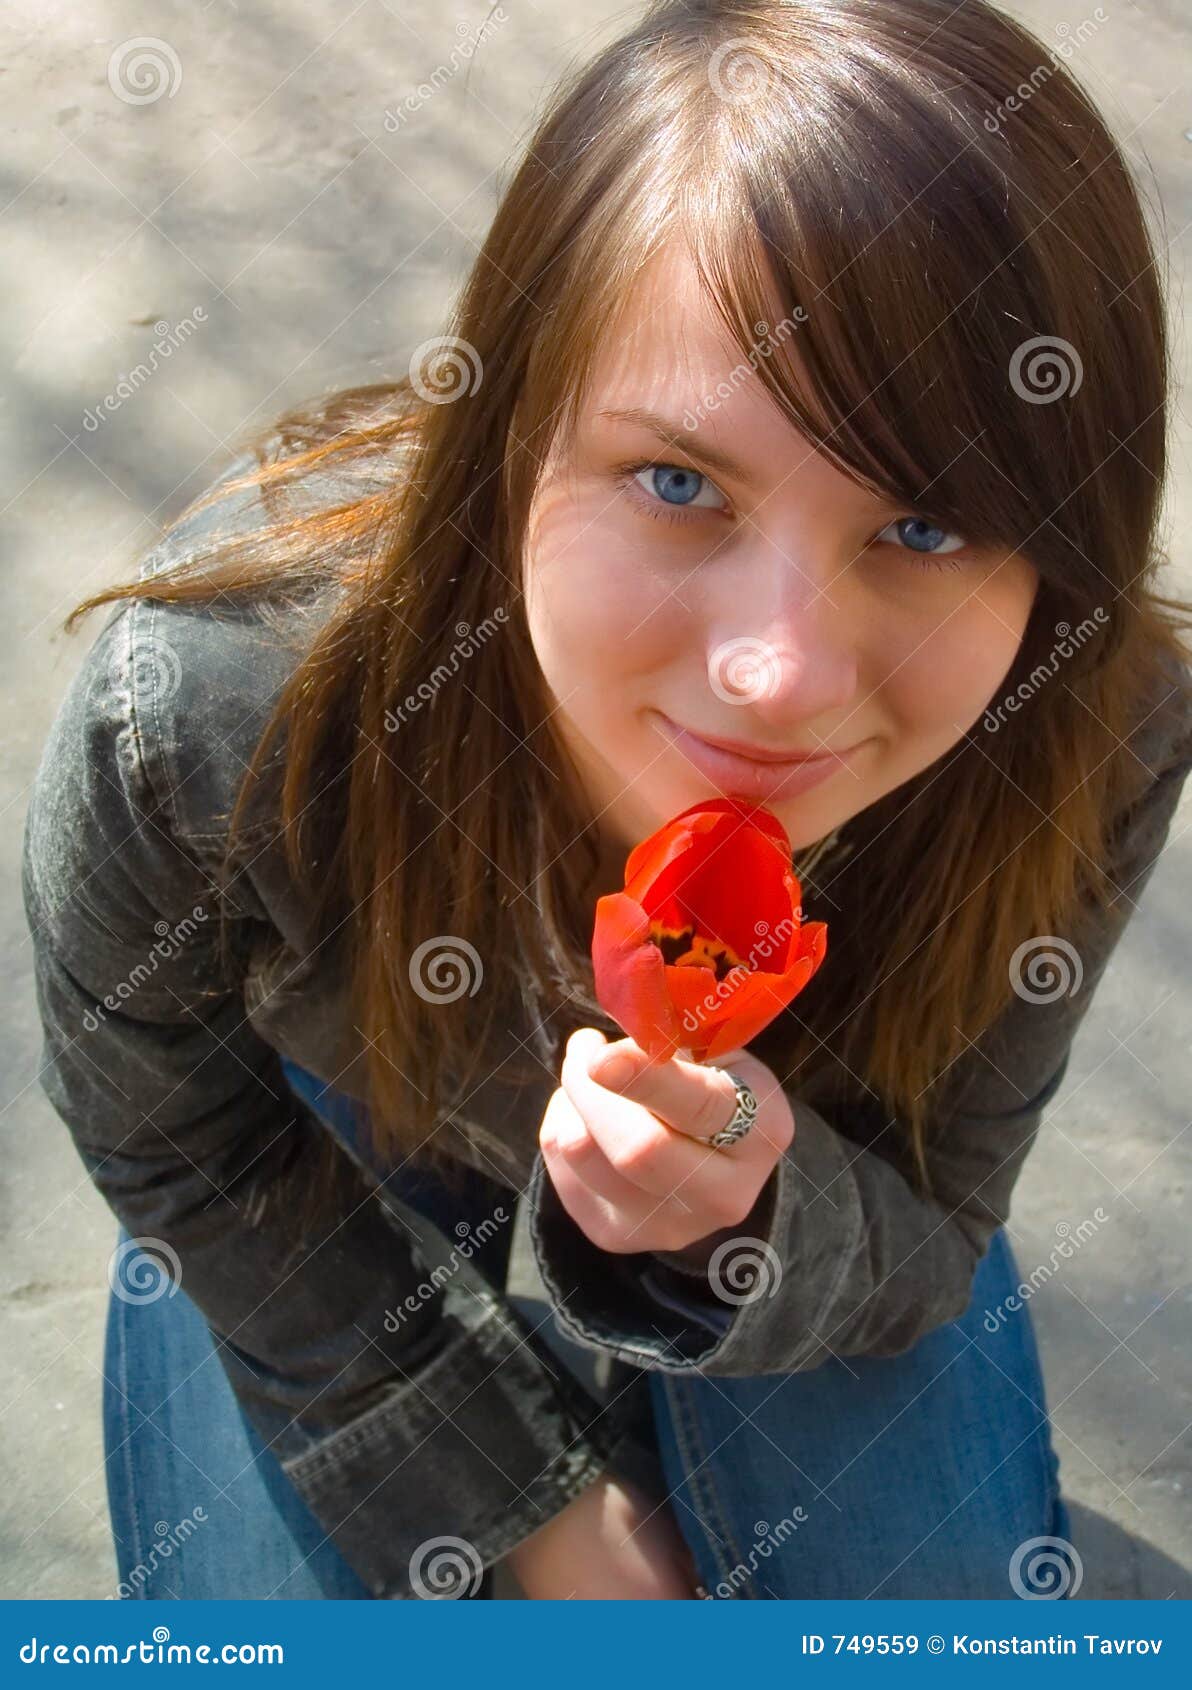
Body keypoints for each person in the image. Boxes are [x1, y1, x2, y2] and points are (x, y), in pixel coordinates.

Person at [22, 0, 1192, 1601]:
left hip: (809, 1124)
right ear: (506, 444)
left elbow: (931, 1213)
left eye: (925, 528)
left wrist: (749, 1222)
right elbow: (178, 1144)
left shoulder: (1093, 727)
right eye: (678, 483)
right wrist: (534, 1512)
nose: (777, 676)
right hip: (342, 1085)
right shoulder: (209, 717)